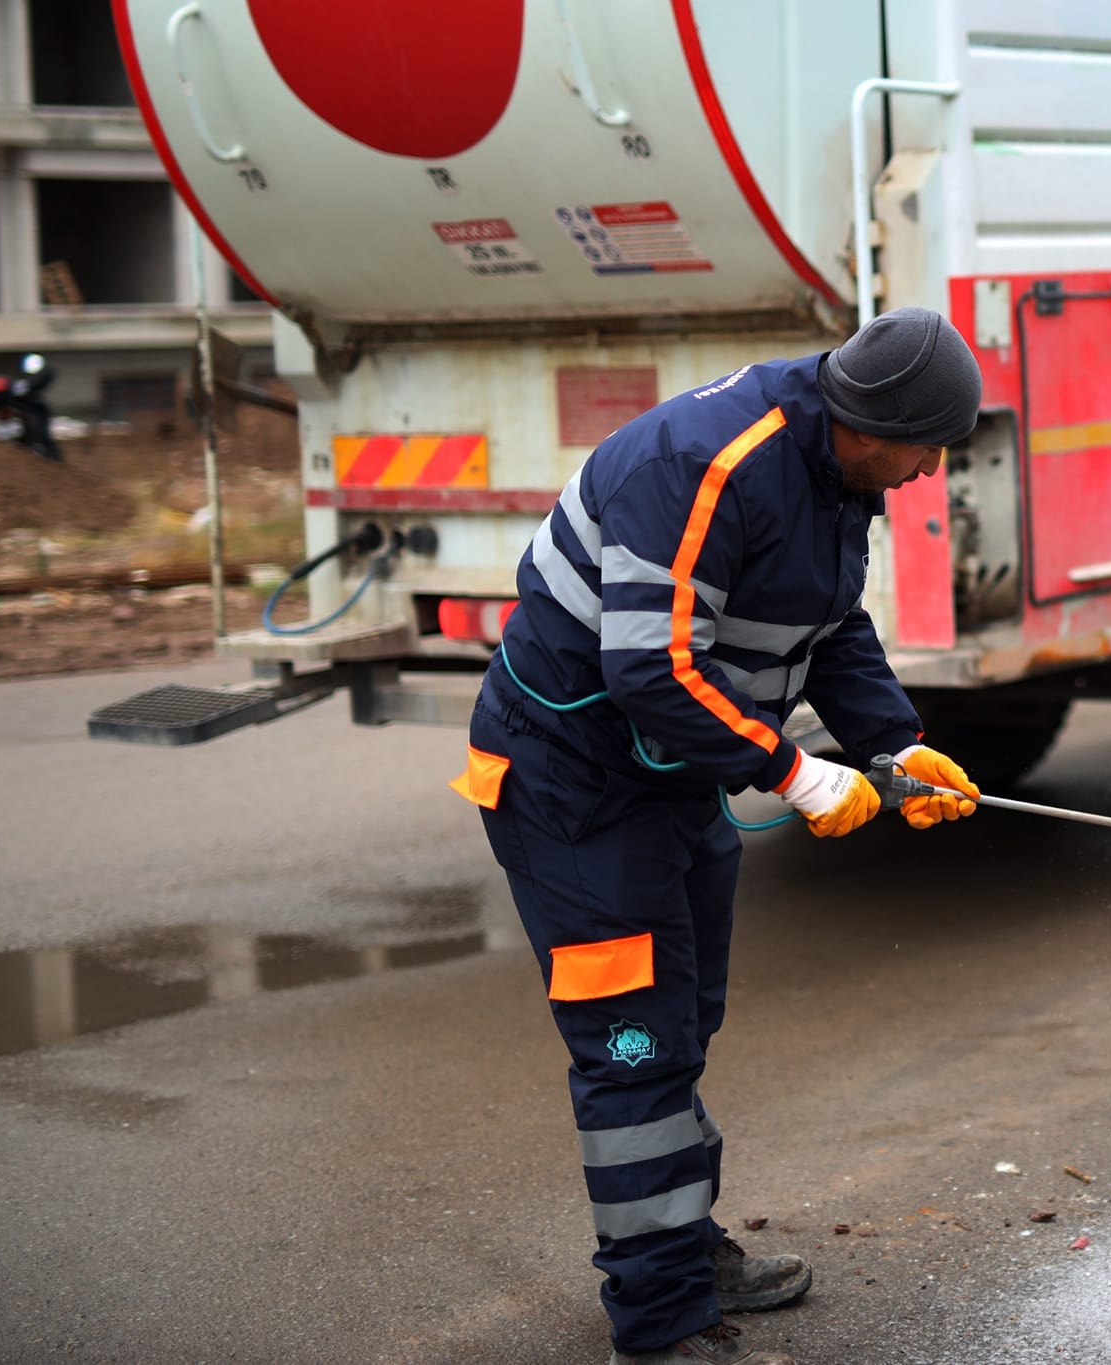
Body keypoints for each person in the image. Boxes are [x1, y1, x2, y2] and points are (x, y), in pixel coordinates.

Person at [449, 308, 985, 1364]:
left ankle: (678, 1245)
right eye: (927, 448)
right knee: (632, 1048)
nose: (930, 471)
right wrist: (794, 772)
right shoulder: (703, 466)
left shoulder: (836, 475)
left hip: (670, 780)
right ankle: (659, 1322)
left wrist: (895, 743)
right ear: (871, 424)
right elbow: (646, 668)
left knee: (681, 1018)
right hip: (573, 791)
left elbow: (828, 625)